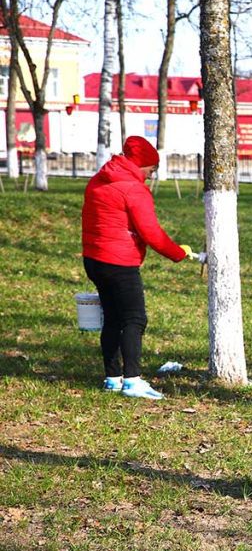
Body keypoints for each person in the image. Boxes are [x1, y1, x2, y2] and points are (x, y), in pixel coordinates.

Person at [81, 136, 205, 400]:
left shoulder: (98, 180)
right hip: (120, 263)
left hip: (94, 259)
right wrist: (178, 253)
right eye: (151, 169)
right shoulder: (134, 190)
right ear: (141, 165)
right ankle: (133, 381)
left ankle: (113, 378)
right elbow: (152, 233)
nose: (151, 175)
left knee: (112, 318)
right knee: (134, 319)